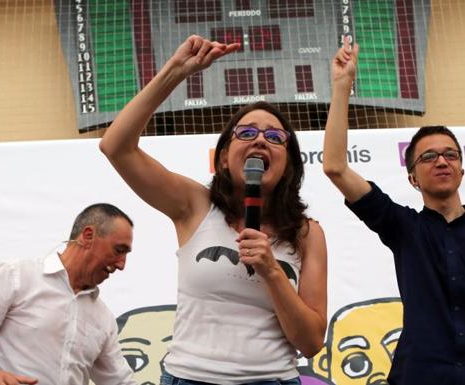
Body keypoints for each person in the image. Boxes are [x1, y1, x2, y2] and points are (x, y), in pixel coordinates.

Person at [100, 35, 327, 385]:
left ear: (289, 164)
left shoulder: (306, 232)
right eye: (247, 132)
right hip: (190, 378)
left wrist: (272, 271)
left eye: (275, 137)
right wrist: (175, 72)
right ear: (223, 157)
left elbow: (311, 343)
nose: (260, 140)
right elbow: (115, 146)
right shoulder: (194, 205)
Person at [322, 37, 465, 385]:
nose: (441, 160)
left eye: (450, 155)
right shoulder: (402, 226)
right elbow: (335, 167)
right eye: (428, 157)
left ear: (461, 169)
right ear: (412, 177)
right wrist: (341, 88)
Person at [0, 203, 137, 385]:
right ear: (88, 236)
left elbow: (121, 381)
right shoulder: (17, 276)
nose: (122, 264)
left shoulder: (103, 317)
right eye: (118, 250)